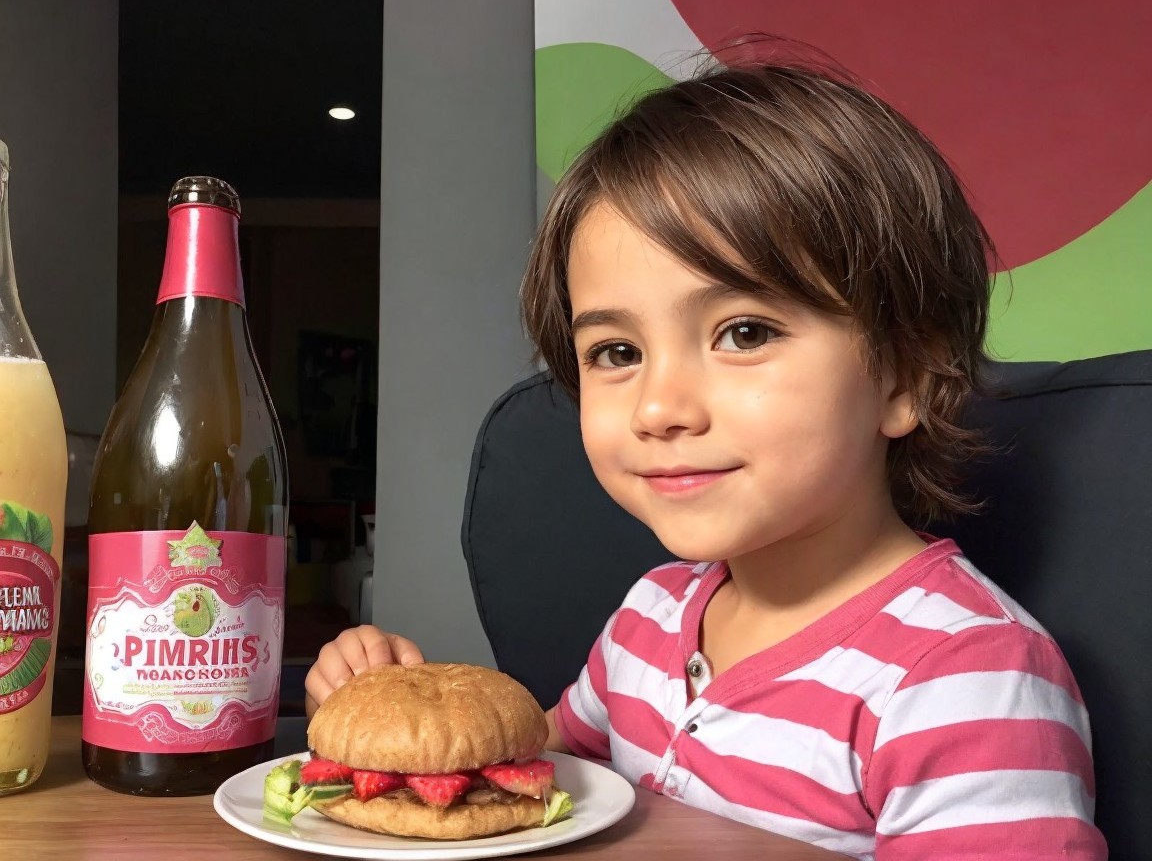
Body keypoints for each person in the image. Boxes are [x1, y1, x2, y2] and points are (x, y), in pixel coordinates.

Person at [306, 55, 1107, 859]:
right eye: (617, 352)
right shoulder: (648, 620)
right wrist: (391, 712)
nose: (659, 408)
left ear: (906, 374)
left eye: (745, 333)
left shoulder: (964, 677)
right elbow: (529, 780)